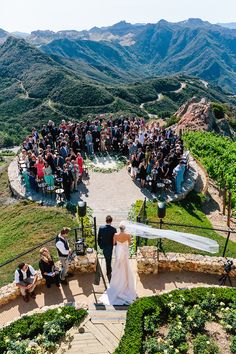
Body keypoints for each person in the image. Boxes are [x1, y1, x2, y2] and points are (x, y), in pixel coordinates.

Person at [99, 223, 136, 305]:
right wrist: (124, 244)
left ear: (119, 228)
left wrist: (120, 243)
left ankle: (117, 282)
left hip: (118, 250)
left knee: (117, 265)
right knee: (125, 265)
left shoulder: (115, 235)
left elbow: (114, 243)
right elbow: (129, 244)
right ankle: (126, 281)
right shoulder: (128, 235)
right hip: (125, 250)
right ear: (124, 228)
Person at [98, 215, 117, 282]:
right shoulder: (114, 229)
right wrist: (115, 244)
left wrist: (100, 245)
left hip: (104, 246)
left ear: (106, 221)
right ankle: (108, 271)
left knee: (107, 258)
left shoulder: (101, 228)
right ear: (111, 221)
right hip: (110, 246)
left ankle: (108, 270)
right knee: (109, 258)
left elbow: (99, 238)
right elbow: (115, 239)